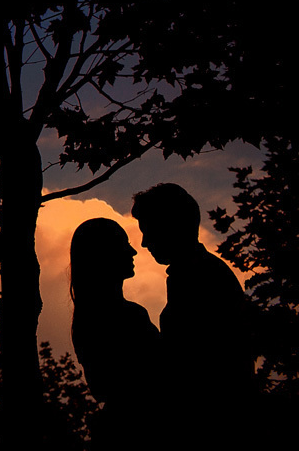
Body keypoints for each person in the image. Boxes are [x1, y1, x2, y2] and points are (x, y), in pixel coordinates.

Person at [131, 182, 255, 445]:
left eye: (149, 230)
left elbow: (196, 365)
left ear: (170, 226)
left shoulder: (201, 278)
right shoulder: (196, 274)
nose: (143, 243)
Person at [69, 217, 160, 449]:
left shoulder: (86, 319)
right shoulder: (129, 317)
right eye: (123, 244)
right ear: (104, 254)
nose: (132, 251)